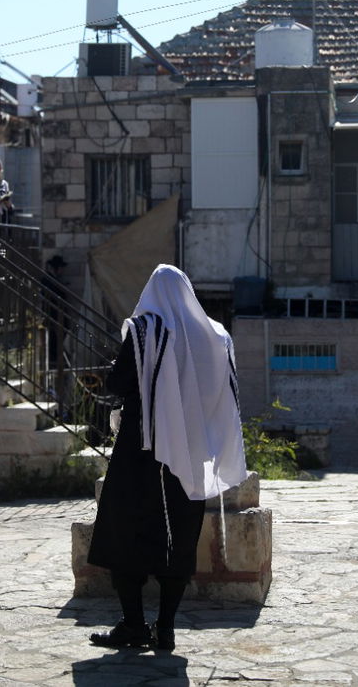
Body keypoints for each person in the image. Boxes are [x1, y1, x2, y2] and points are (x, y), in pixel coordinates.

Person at [86, 265, 247, 652]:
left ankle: (134, 625)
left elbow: (117, 383)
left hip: (142, 452)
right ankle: (167, 628)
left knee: (126, 535)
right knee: (178, 540)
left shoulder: (146, 331)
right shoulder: (215, 336)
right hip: (191, 456)